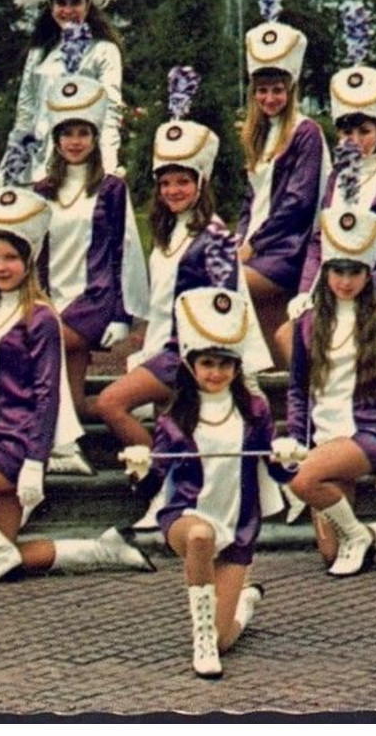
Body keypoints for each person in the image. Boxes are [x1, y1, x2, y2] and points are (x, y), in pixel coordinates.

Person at [0, 188, 151, 586]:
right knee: (5, 553)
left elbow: (48, 396)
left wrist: (35, 464)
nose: (1, 267)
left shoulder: (39, 317)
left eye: (12, 258)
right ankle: (100, 549)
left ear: (29, 261)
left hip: (12, 446)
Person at [95, 65, 265, 519]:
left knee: (111, 403)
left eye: (183, 181)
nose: (173, 189)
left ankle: (164, 483)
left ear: (201, 182)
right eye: (166, 181)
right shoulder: (167, 231)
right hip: (162, 348)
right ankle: (175, 488)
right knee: (167, 425)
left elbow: (224, 305)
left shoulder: (212, 238)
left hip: (186, 355)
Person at [275, 176, 376, 576]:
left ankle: (361, 536)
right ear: (326, 272)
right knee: (332, 553)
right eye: (337, 271)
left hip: (366, 434)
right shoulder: (307, 324)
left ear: (368, 274)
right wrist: (297, 438)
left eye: (355, 272)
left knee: (301, 481)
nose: (345, 281)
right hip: (322, 434)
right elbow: (298, 388)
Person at [120, 285, 288, 679]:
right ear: (191, 365)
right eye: (207, 363)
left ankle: (243, 605)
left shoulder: (256, 411)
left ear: (236, 367)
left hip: (239, 525)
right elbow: (151, 488)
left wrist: (288, 458)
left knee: (227, 638)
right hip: (187, 515)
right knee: (199, 537)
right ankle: (201, 639)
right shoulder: (174, 417)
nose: (216, 373)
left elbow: (276, 473)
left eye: (225, 364)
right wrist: (140, 472)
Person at [33, 76, 148, 474]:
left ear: (95, 138)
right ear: (57, 138)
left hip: (94, 301)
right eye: (68, 133)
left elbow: (125, 249)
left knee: (37, 344)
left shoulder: (111, 188)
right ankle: (121, 420)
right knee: (73, 395)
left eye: (84, 133)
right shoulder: (42, 190)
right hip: (52, 299)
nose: (75, 142)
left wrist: (121, 313)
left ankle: (57, 446)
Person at [294, 6, 376, 315]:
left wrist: (372, 282)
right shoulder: (336, 176)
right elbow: (319, 239)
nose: (355, 141)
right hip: (331, 287)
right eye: (347, 132)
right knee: (291, 335)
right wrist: (305, 290)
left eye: (364, 131)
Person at [235, 0, 329, 366]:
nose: (269, 97)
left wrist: (252, 244)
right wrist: (238, 236)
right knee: (274, 333)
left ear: (291, 89)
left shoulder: (305, 132)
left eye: (277, 90)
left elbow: (297, 202)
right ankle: (285, 390)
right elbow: (248, 201)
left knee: (225, 284)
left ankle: (237, 375)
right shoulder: (257, 134)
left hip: (287, 248)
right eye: (261, 90)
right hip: (257, 245)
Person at [2, 0, 127, 182]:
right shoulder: (39, 53)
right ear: (50, 6)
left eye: (75, 2)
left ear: (88, 3)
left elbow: (110, 110)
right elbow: (26, 114)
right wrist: (11, 167)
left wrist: (107, 167)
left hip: (85, 167)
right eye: (60, 2)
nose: (67, 10)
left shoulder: (104, 51)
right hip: (37, 167)